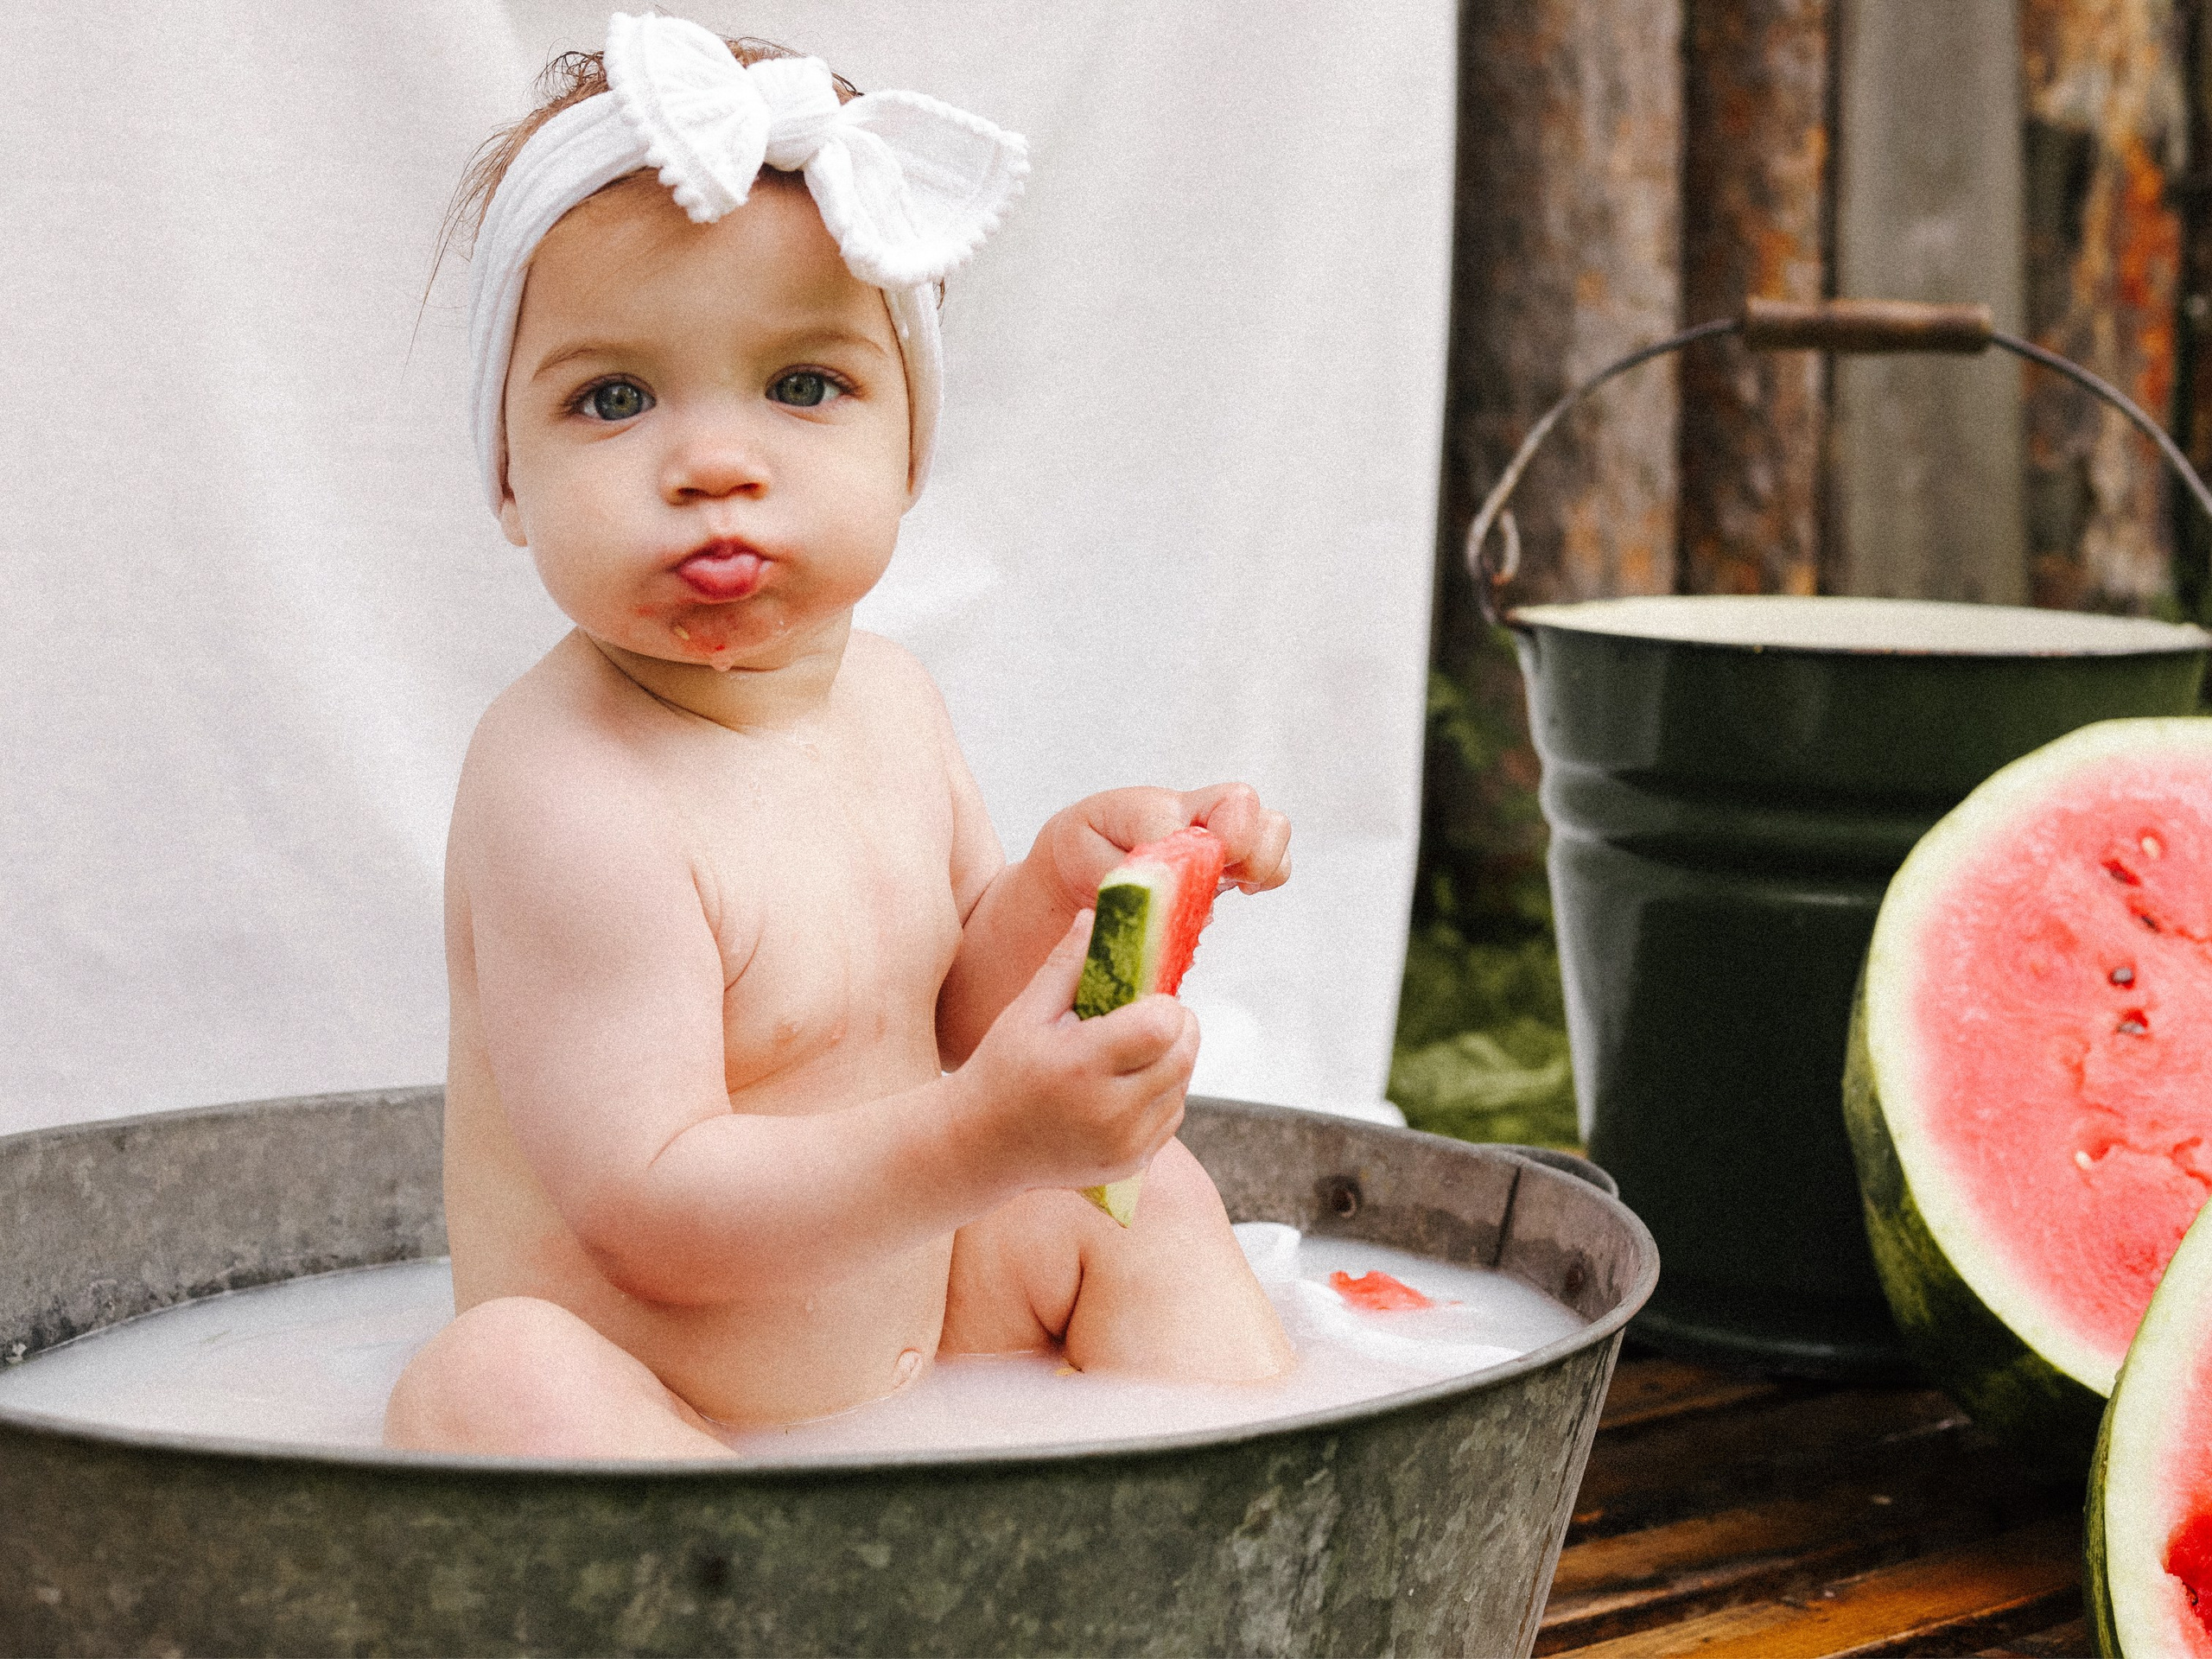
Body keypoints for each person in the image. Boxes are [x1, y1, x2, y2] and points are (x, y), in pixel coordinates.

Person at [383, 12, 1294, 1458]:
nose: (716, 466)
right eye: (612, 398)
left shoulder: (891, 701)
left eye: (803, 385)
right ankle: (745, 1594)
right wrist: (981, 1139)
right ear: (509, 476)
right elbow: (654, 1213)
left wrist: (1066, 892)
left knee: (1137, 1198)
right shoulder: (569, 790)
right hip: (661, 1393)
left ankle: (1240, 1510)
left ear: (909, 444)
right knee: (494, 1383)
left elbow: (944, 1022)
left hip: (916, 1339)